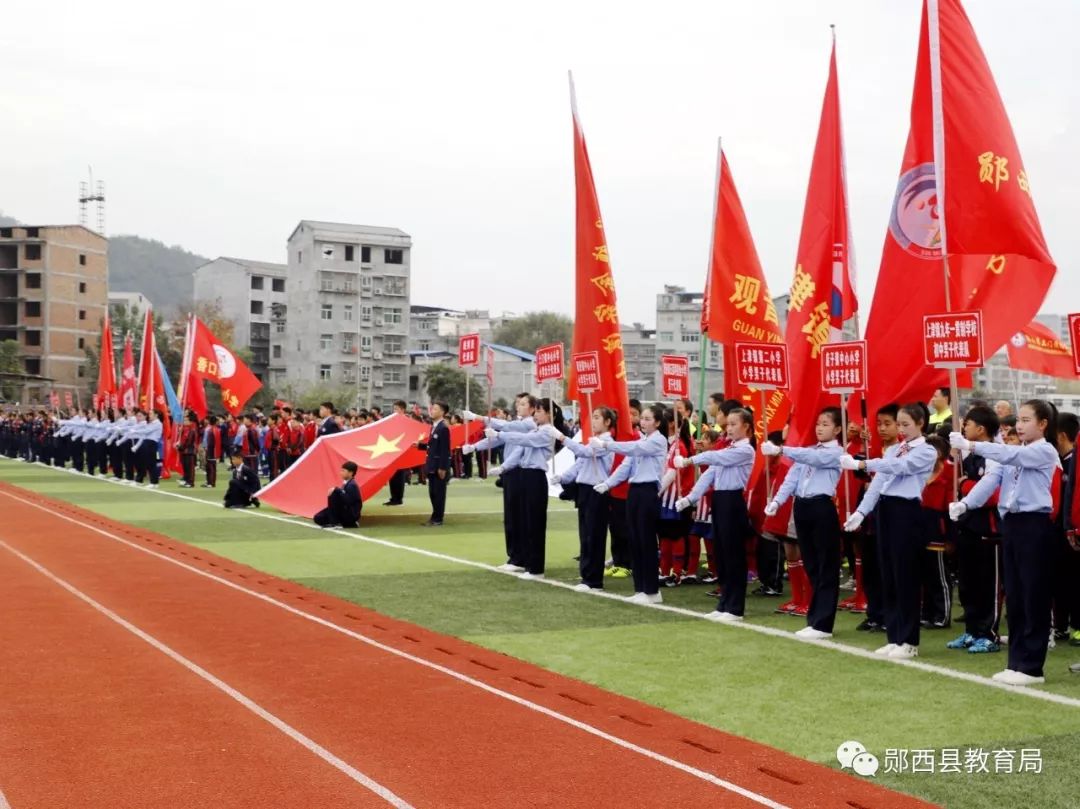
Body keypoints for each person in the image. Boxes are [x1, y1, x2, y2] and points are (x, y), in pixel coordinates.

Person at [950, 400, 1061, 686]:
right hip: (1010, 524)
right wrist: (965, 505)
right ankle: (1015, 662)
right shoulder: (1013, 453)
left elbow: (1007, 455)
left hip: (1034, 525)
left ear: (1043, 424)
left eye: (1026, 420)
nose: (1019, 426)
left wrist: (971, 446)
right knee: (1015, 594)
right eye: (1018, 421)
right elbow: (991, 480)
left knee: (1032, 594)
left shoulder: (1044, 451)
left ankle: (1032, 667)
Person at [841, 403, 937, 660]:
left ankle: (909, 640)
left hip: (906, 512)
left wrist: (863, 465)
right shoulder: (894, 449)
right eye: (901, 424)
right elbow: (879, 483)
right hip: (885, 510)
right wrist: (861, 512)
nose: (903, 430)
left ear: (920, 424)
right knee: (889, 575)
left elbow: (901, 469)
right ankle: (894, 636)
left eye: (907, 424)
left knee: (905, 576)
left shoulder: (926, 451)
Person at [762, 407, 844, 639]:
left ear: (837, 429)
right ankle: (814, 618)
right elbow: (792, 478)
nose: (820, 428)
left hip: (821, 506)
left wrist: (781, 449)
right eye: (818, 423)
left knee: (825, 565)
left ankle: (824, 623)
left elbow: (813, 459)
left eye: (826, 424)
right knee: (811, 564)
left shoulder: (837, 452)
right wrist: (777, 501)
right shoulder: (806, 451)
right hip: (802, 506)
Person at [676, 407, 756, 621]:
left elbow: (715, 458)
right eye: (727, 424)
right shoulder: (726, 450)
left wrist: (689, 460)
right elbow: (709, 474)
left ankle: (735, 607)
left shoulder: (745, 450)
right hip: (719, 501)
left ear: (746, 426)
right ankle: (724, 603)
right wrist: (690, 498)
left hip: (733, 502)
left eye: (733, 424)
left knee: (733, 555)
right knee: (721, 554)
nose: (728, 428)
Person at [595, 403, 669, 604]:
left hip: (648, 492)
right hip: (634, 492)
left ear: (658, 422)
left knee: (646, 541)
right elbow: (626, 465)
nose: (643, 422)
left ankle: (652, 590)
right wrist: (607, 484)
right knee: (634, 540)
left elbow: (635, 449)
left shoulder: (658, 441)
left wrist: (607, 445)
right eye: (642, 418)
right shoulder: (643, 440)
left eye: (647, 419)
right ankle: (640, 588)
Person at [947, 404, 1003, 654]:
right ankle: (971, 631)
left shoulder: (995, 454)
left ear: (980, 429)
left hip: (988, 528)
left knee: (987, 583)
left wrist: (967, 485)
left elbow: (992, 493)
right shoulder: (966, 455)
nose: (963, 427)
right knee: (968, 583)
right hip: (967, 524)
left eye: (967, 424)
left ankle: (988, 633)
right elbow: (954, 481)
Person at [495, 399, 562, 579]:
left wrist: (500, 435)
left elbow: (524, 439)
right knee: (525, 522)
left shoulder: (548, 432)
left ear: (549, 414)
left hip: (535, 477)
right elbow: (519, 451)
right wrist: (503, 467)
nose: (536, 414)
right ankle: (528, 564)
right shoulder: (537, 429)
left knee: (534, 524)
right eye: (536, 411)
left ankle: (536, 568)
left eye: (540, 411)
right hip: (525, 475)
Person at [554, 406, 616, 591]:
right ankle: (586, 576)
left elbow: (584, 453)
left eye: (597, 417)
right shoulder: (594, 441)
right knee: (585, 535)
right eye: (592, 417)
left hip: (598, 490)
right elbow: (580, 463)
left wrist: (562, 438)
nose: (593, 421)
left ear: (607, 422)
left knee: (594, 535)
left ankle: (594, 580)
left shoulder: (606, 442)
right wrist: (563, 477)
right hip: (585, 490)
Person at [919, 435, 954, 630]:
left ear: (939, 454)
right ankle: (927, 613)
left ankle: (943, 615)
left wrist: (950, 538)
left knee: (939, 575)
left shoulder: (948, 475)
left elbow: (950, 509)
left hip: (938, 528)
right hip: (920, 527)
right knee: (924, 574)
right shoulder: (920, 473)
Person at [1054, 412, 1080, 648]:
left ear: (1061, 435)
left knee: (1074, 579)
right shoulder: (1055, 461)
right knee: (1060, 579)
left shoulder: (1074, 460)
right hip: (1059, 531)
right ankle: (1060, 625)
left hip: (1072, 530)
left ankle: (1077, 626)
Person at [415, 401, 451, 526]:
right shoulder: (434, 426)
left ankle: (438, 518)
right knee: (433, 493)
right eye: (432, 408)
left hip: (438, 466)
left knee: (438, 493)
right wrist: (420, 446)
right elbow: (433, 446)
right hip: (431, 465)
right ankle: (434, 516)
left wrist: (442, 467)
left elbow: (445, 450)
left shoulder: (443, 428)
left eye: (435, 409)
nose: (432, 411)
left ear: (442, 412)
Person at [314, 461, 362, 528]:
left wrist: (336, 489)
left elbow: (348, 501)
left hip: (351, 515)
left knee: (334, 493)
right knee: (318, 518)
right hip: (344, 511)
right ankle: (340, 522)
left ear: (351, 473)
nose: (341, 473)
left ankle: (337, 523)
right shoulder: (346, 483)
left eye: (343, 471)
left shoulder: (352, 485)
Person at [384, 400, 409, 506]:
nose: (394, 411)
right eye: (393, 409)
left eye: (396, 409)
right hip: (392, 451)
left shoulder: (406, 421)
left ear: (402, 410)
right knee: (392, 476)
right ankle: (393, 497)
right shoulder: (392, 421)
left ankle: (398, 498)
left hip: (401, 452)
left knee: (399, 476)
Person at [132, 409, 164, 488]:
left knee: (152, 463)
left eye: (151, 414)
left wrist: (135, 431)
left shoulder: (158, 423)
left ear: (156, 415)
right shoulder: (151, 423)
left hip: (152, 443)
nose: (149, 415)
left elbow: (147, 431)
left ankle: (154, 482)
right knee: (146, 463)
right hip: (147, 443)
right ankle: (145, 481)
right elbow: (144, 434)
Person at [176, 411, 199, 488]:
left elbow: (189, 442)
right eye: (184, 420)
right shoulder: (186, 429)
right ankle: (186, 480)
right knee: (185, 467)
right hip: (184, 451)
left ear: (190, 421)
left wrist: (180, 447)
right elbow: (182, 439)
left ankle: (190, 482)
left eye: (186, 420)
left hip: (189, 451)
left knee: (190, 468)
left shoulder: (192, 429)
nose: (184, 422)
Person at [203, 414, 222, 488]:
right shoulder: (216, 429)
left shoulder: (209, 429)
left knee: (210, 466)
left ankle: (210, 482)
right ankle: (211, 482)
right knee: (212, 466)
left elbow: (207, 441)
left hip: (211, 450)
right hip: (215, 450)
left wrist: (205, 448)